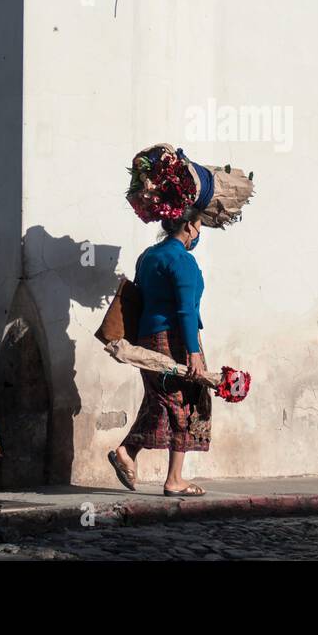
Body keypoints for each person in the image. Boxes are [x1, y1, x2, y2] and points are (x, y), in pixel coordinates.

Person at [109, 208, 210, 496]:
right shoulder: (182, 260)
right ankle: (174, 479)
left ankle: (127, 451)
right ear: (189, 226)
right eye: (199, 226)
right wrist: (193, 352)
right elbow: (186, 310)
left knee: (159, 400)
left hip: (147, 338)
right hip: (174, 339)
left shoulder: (148, 256)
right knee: (183, 405)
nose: (199, 233)